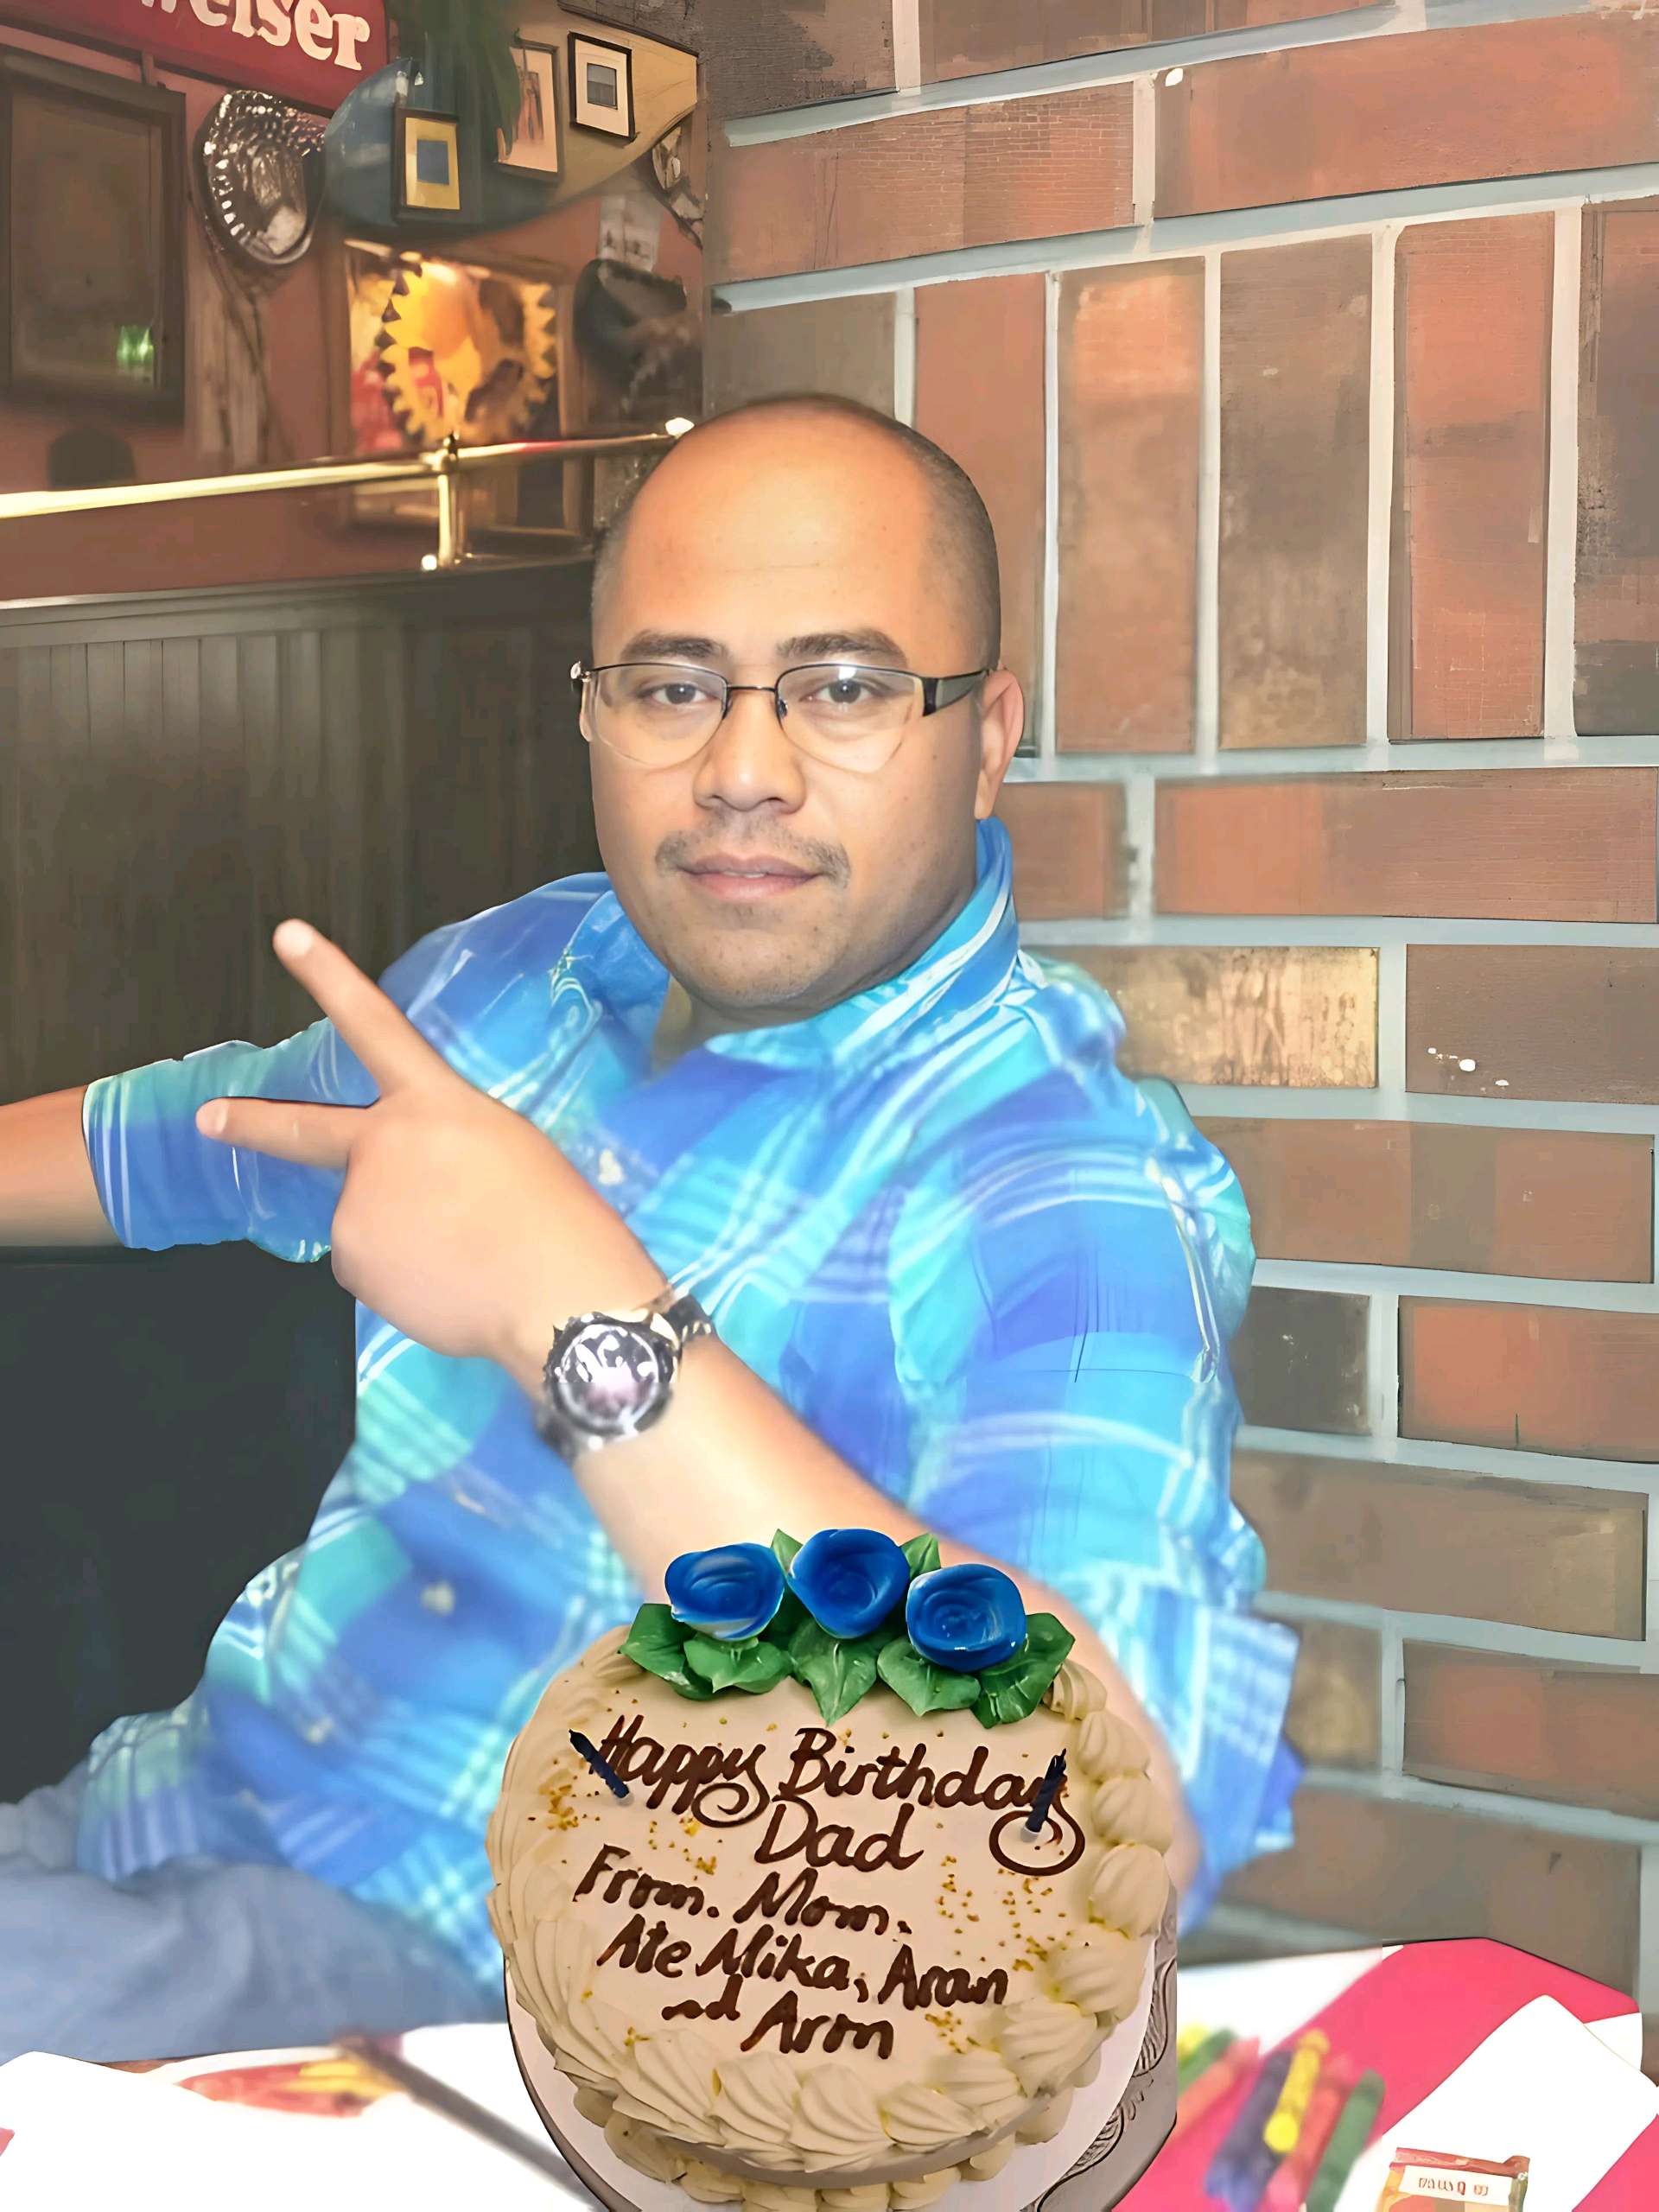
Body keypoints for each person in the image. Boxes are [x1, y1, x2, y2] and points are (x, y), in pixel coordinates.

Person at [0, 395, 1299, 2064]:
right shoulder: (532, 974)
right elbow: (199, 1141)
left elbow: (1101, 1832)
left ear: (986, 736)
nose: (743, 771)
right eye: (674, 687)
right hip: (158, 1811)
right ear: (594, 713)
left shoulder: (1060, 1183)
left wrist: (570, 1305)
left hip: (473, 2012)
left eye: (845, 689)